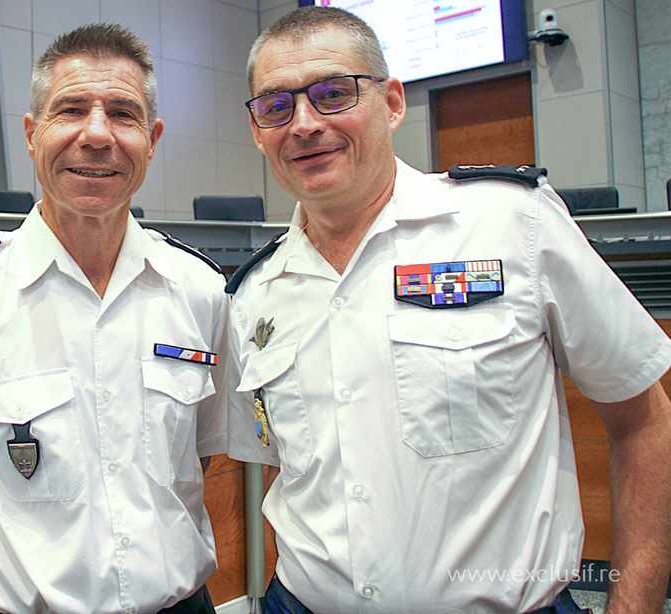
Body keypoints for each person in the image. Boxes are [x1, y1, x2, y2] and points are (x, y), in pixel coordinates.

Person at [226, 7, 671, 614]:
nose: (304, 124)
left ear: (390, 102)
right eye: (276, 107)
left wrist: (636, 606)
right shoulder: (256, 295)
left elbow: (644, 418)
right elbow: (287, 472)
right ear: (257, 131)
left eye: (332, 94)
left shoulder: (515, 225)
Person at [0, 23, 227, 614]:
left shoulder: (200, 289)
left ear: (152, 138)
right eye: (71, 110)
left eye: (123, 113)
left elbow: (197, 456)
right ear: (32, 133)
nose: (97, 134)